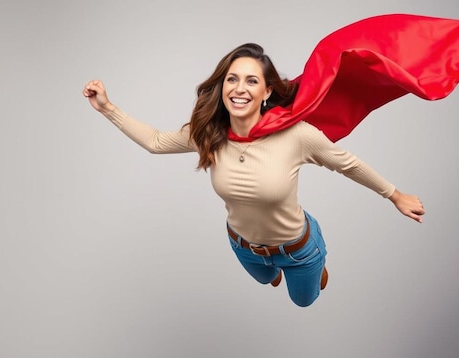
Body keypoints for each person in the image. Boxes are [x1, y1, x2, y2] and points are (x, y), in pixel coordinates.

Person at [83, 42, 425, 307]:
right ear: (222, 86)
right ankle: (270, 270)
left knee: (304, 301)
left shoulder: (297, 135)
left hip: (297, 248)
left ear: (267, 91)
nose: (239, 88)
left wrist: (395, 195)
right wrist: (107, 108)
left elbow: (347, 163)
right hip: (242, 244)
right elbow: (156, 142)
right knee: (265, 279)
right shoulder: (208, 133)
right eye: (232, 79)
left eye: (251, 80)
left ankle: (317, 253)